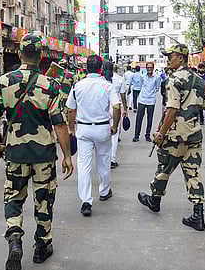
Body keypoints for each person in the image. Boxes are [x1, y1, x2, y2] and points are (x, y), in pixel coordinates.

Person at [0, 32, 73, 270]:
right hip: (44, 155)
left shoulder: (3, 82)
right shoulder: (50, 85)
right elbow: (59, 123)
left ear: (19, 53)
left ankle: (15, 239)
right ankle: (42, 245)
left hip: (15, 154)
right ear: (41, 56)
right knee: (44, 200)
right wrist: (67, 155)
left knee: (14, 198)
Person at [137, 44, 205, 231]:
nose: (168, 58)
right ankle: (198, 214)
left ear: (181, 58)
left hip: (175, 135)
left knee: (164, 168)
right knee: (193, 173)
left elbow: (172, 110)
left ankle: (154, 200)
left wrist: (161, 133)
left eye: (171, 56)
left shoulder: (174, 79)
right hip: (194, 134)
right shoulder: (199, 80)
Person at [67, 55, 121, 217]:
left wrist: (71, 128)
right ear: (100, 69)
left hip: (83, 129)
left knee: (83, 165)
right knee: (103, 162)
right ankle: (104, 191)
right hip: (103, 128)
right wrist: (115, 126)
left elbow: (71, 109)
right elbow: (117, 107)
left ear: (86, 69)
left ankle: (86, 201)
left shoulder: (78, 86)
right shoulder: (107, 86)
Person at [103, 62, 127, 169]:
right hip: (115, 108)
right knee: (115, 135)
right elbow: (123, 96)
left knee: (103, 134)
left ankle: (104, 158)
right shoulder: (119, 79)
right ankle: (112, 159)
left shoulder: (101, 80)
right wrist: (125, 109)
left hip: (104, 109)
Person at [132, 62, 160, 142]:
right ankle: (136, 135)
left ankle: (147, 135)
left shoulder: (156, 78)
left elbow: (157, 88)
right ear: (146, 68)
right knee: (139, 118)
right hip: (142, 99)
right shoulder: (142, 76)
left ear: (153, 68)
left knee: (149, 118)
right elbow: (141, 86)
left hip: (151, 100)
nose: (149, 69)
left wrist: (151, 93)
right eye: (148, 67)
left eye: (151, 67)